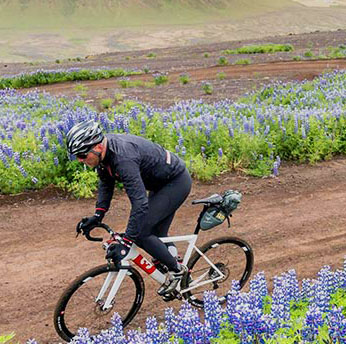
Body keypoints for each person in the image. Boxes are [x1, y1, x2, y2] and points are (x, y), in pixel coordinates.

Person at [66, 120, 192, 296]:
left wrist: (126, 242)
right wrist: (98, 215)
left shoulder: (123, 158)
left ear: (98, 147)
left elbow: (140, 204)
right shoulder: (104, 154)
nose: (80, 160)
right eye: (77, 156)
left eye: (82, 155)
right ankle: (173, 265)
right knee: (154, 233)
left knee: (141, 233)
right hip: (159, 185)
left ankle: (178, 271)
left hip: (175, 182)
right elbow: (105, 183)